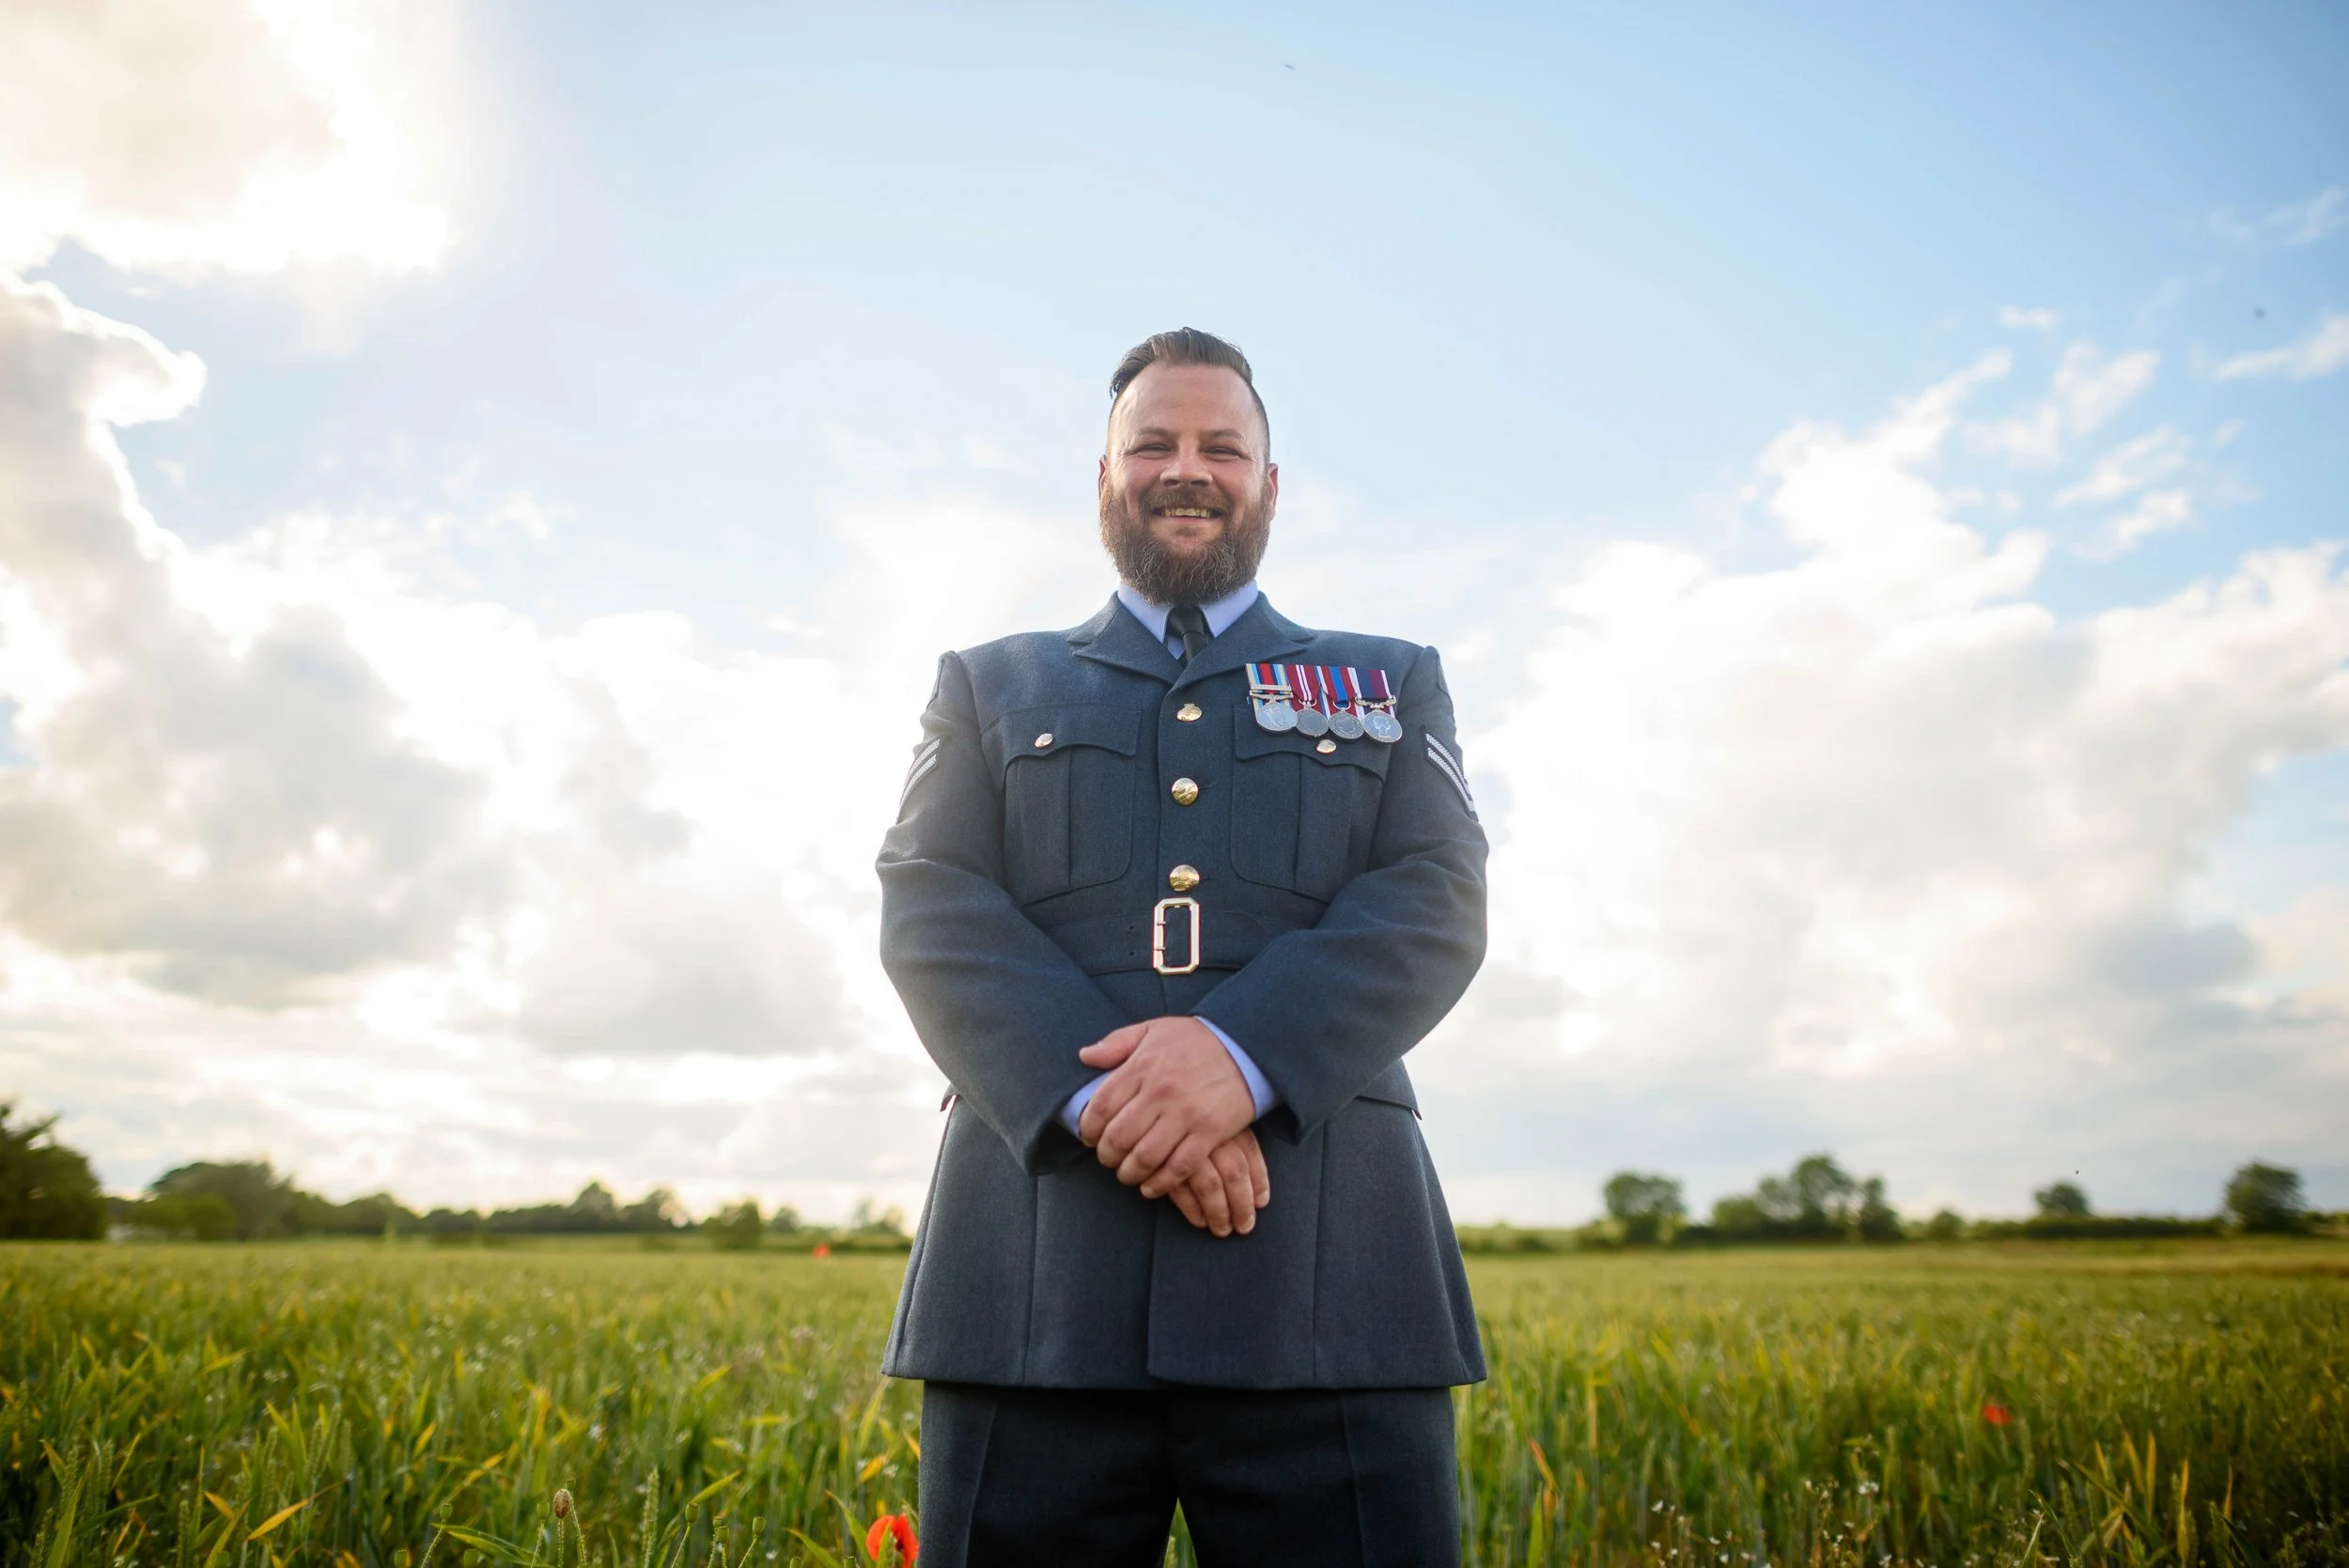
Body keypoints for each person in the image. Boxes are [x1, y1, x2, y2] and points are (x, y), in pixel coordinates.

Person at [877, 327, 1487, 1567]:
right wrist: (1109, 1096)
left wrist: (1243, 1054)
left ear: (1271, 481)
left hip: (1334, 1295)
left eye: (1223, 444)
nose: (1186, 467)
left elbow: (1437, 894)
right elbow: (930, 899)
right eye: (1150, 443)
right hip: (1033, 1292)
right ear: (1102, 478)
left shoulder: (1388, 681)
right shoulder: (990, 686)